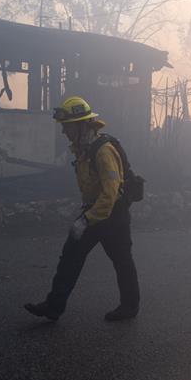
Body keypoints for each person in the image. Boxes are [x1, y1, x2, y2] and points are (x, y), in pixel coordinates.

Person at [24, 96, 140, 322]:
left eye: (67, 126)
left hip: (113, 214)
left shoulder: (103, 151)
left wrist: (86, 220)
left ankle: (130, 307)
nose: (64, 132)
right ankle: (53, 306)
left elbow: (110, 193)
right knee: (70, 256)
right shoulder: (84, 149)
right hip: (95, 211)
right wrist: (88, 214)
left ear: (81, 125)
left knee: (122, 260)